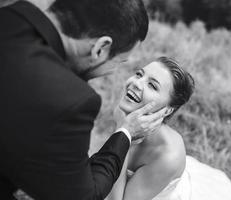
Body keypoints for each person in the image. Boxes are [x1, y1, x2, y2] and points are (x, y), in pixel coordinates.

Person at [0, 0, 167, 199]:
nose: (114, 71)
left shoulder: (11, 15)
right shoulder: (69, 100)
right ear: (101, 47)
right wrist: (125, 133)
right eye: (119, 62)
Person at [105, 57, 231, 200]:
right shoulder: (127, 114)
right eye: (139, 74)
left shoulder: (168, 155)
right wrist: (124, 133)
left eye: (152, 86)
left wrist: (122, 135)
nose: (136, 83)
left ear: (167, 110)